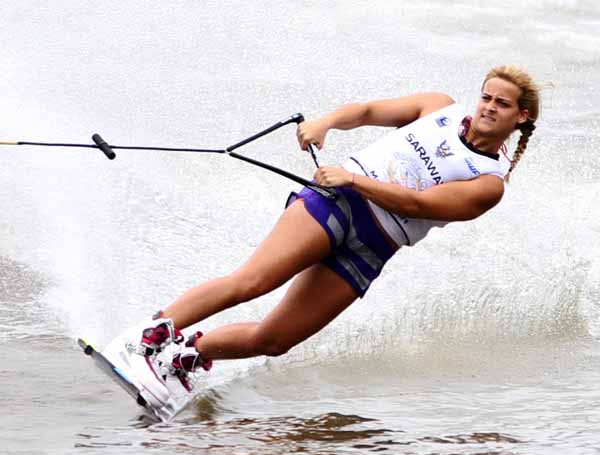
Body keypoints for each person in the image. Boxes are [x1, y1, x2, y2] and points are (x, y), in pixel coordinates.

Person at [130, 65, 540, 397]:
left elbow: (417, 205)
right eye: (486, 97)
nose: (489, 107)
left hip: (374, 246)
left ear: (520, 117)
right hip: (337, 204)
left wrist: (354, 179)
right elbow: (366, 112)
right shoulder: (438, 108)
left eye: (502, 103)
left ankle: (183, 357)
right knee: (254, 282)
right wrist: (326, 123)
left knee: (275, 340)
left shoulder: (488, 183)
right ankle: (148, 337)